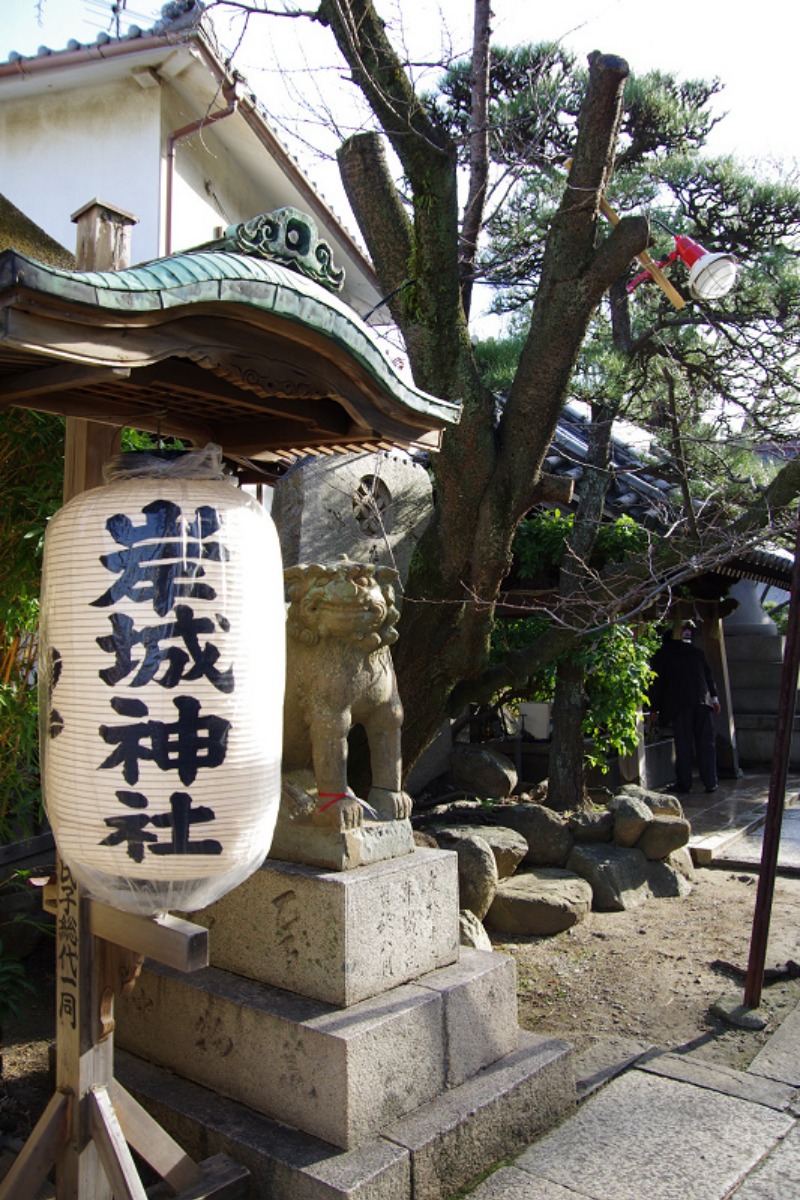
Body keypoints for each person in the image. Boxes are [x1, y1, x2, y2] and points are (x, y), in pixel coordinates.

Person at [649, 622, 721, 795]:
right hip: (703, 702)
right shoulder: (696, 652)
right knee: (706, 744)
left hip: (679, 705)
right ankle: (710, 782)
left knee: (684, 745)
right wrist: (715, 699)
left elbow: (656, 684)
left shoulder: (661, 655)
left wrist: (654, 709)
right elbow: (708, 677)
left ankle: (684, 783)